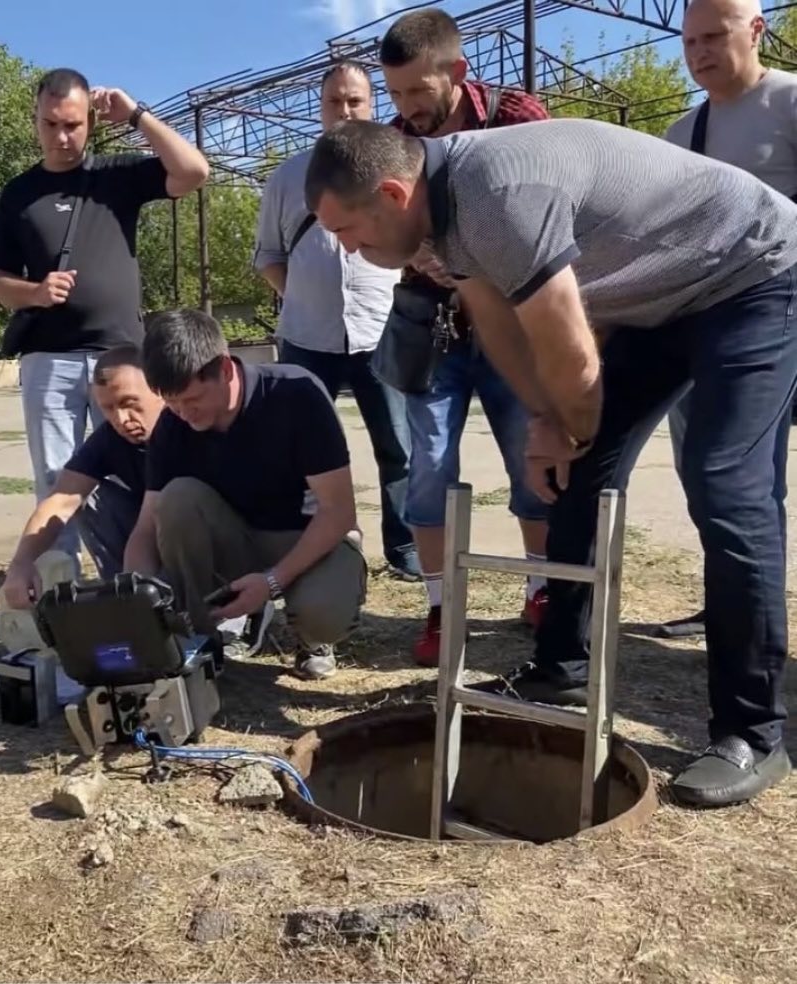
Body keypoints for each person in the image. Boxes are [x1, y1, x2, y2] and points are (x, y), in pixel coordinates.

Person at [303, 115, 797, 807]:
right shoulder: (440, 214)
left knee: (725, 485)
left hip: (754, 274)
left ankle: (752, 732)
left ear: (391, 194)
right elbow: (495, 321)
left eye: (349, 232)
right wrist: (546, 423)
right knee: (577, 474)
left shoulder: (495, 195)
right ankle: (560, 666)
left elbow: (564, 336)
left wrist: (569, 427)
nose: (349, 250)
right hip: (662, 300)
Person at [0, 67, 209, 576]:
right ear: (35, 119)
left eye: (73, 125)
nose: (62, 137)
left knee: (140, 467)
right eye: (51, 124)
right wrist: (34, 292)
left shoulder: (116, 175)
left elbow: (194, 171)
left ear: (90, 121)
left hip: (121, 356)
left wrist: (136, 115)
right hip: (49, 359)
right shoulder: (19, 194)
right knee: (56, 476)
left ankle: (141, 576)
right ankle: (60, 580)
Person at [379, 9, 552, 666]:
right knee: (427, 464)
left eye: (417, 91)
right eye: (395, 93)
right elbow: (383, 227)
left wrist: (472, 258)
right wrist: (418, 252)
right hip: (434, 330)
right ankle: (440, 606)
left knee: (531, 457)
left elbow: (549, 207)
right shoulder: (396, 139)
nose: (406, 108)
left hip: (513, 321)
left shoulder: (516, 118)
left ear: (456, 70)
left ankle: (540, 589)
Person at [123, 309, 368, 681]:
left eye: (192, 399)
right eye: (171, 402)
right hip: (238, 542)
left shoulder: (295, 394)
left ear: (224, 369)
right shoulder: (173, 425)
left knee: (323, 617)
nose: (183, 413)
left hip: (307, 538)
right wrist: (133, 598)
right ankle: (200, 643)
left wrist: (271, 582)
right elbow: (146, 527)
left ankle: (312, 641)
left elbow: (338, 511)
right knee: (177, 500)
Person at [655, 0, 797, 639]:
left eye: (714, 36)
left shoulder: (789, 103)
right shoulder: (682, 133)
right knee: (710, 476)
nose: (699, 52)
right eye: (690, 41)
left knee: (743, 481)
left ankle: (750, 618)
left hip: (776, 320)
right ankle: (731, 601)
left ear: (757, 29)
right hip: (699, 322)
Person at [253, 60, 420, 583]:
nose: (344, 110)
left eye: (355, 101)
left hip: (380, 332)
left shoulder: (402, 168)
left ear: (373, 105)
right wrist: (304, 298)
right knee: (300, 451)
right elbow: (268, 256)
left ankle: (405, 548)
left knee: (398, 447)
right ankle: (309, 546)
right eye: (334, 101)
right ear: (320, 107)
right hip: (307, 338)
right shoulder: (288, 177)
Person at [1, 344, 165, 607]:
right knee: (85, 496)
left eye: (129, 403)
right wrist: (21, 564)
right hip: (146, 531)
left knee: (181, 500)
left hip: (195, 533)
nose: (121, 419)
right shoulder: (109, 438)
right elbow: (59, 502)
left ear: (159, 390)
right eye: (108, 408)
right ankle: (124, 592)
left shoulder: (187, 427)